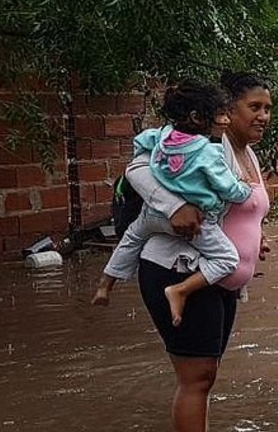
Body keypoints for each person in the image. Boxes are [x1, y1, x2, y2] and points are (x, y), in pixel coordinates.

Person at [123, 71, 274, 432]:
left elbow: (242, 212)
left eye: (268, 109)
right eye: (254, 107)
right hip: (179, 269)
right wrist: (174, 206)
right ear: (228, 110)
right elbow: (136, 169)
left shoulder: (249, 154)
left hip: (219, 280)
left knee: (205, 375)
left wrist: (253, 243)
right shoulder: (199, 142)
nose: (263, 116)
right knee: (197, 377)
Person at [92, 80, 250, 326]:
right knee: (228, 259)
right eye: (221, 114)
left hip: (150, 214)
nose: (226, 120)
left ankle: (105, 284)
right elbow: (229, 188)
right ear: (198, 117)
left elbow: (140, 144)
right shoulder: (208, 151)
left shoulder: (163, 136)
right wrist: (244, 190)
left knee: (131, 239)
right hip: (194, 224)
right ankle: (181, 290)